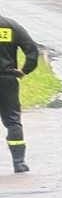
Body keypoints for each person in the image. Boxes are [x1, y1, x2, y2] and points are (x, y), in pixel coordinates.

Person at [0, 14, 43, 173]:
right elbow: (31, 50)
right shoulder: (10, 25)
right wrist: (25, 70)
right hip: (7, 80)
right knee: (12, 121)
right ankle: (19, 162)